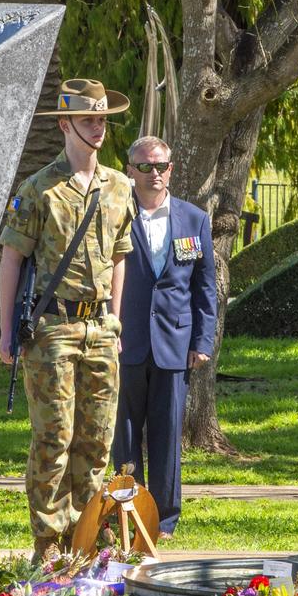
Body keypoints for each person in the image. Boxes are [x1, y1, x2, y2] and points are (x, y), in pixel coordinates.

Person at [0, 78, 135, 560]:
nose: (98, 128)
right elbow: (12, 259)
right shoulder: (39, 189)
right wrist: (5, 333)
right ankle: (50, 542)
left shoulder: (119, 185)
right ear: (64, 125)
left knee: (97, 439)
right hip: (52, 328)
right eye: (88, 120)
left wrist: (116, 321)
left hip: (100, 329)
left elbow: (120, 256)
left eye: (102, 120)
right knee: (54, 436)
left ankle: (90, 534)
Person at [111, 136, 215, 539]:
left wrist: (202, 342)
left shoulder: (194, 219)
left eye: (161, 166)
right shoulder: (116, 214)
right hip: (127, 340)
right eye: (145, 166)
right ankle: (127, 510)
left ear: (171, 169)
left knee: (167, 434)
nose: (154, 173)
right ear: (129, 170)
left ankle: (165, 520)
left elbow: (205, 289)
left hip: (175, 344)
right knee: (126, 433)